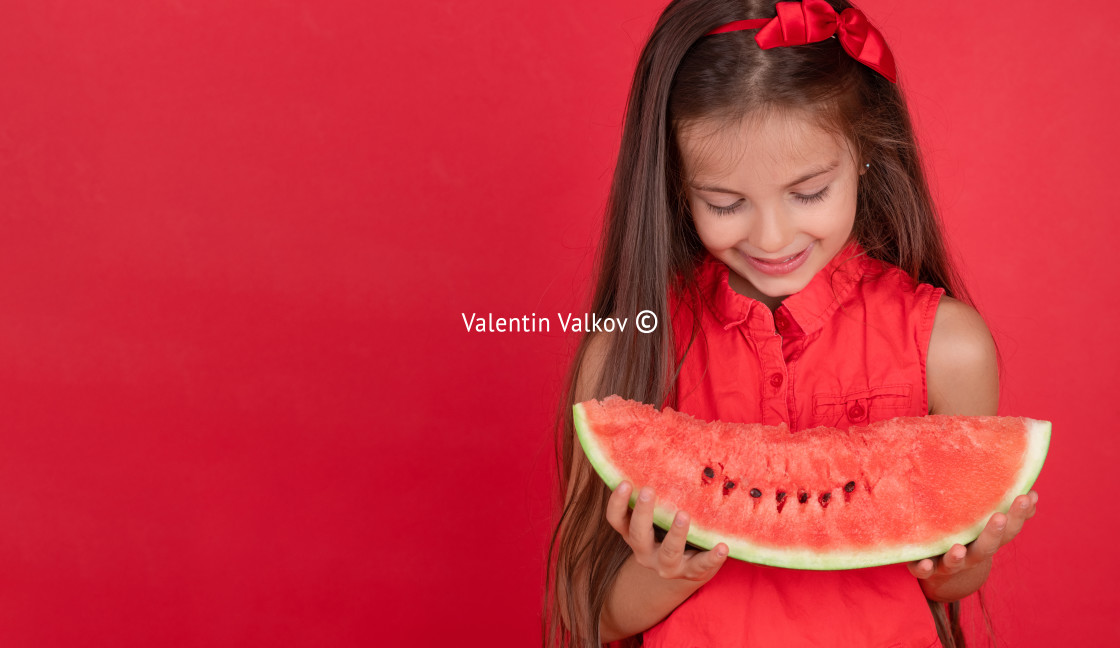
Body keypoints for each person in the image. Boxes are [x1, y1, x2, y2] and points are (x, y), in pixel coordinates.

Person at [543, 0, 1040, 646]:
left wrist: (964, 564)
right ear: (677, 185)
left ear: (863, 154)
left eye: (808, 192)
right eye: (724, 203)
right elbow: (592, 614)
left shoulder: (947, 350)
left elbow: (940, 589)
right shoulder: (630, 354)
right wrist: (664, 573)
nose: (772, 237)